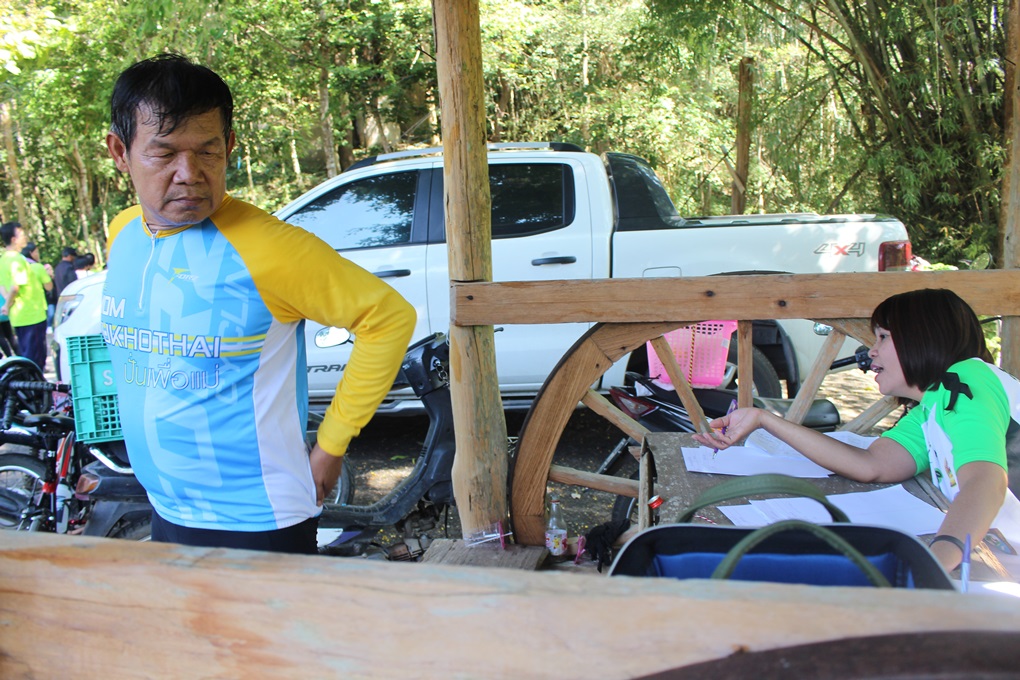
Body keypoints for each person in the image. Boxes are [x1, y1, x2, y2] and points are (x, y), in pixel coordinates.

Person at [101, 54, 415, 554]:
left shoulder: (272, 249)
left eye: (207, 151)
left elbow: (388, 318)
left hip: (258, 519)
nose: (189, 173)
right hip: (165, 508)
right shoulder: (123, 233)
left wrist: (331, 445)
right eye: (164, 154)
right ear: (121, 152)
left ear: (228, 146)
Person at [695, 288, 1020, 572]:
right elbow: (872, 464)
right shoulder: (932, 406)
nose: (871, 350)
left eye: (883, 337)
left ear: (923, 337)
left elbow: (985, 481)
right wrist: (765, 420)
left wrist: (933, 563)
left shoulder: (967, 380)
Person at [0, 223, 49, 371]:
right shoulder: (17, 259)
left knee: (28, 355)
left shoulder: (3, 259)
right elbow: (15, 286)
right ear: (14, 239)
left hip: (19, 316)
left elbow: (3, 286)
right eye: (21, 234)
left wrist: (8, 304)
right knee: (36, 359)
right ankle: (35, 385)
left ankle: (30, 383)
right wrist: (7, 304)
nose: (25, 237)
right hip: (32, 315)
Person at [21, 242, 54, 326]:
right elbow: (49, 287)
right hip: (38, 309)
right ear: (31, 253)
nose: (38, 254)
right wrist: (49, 277)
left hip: (22, 311)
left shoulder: (18, 267)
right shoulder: (38, 267)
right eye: (36, 252)